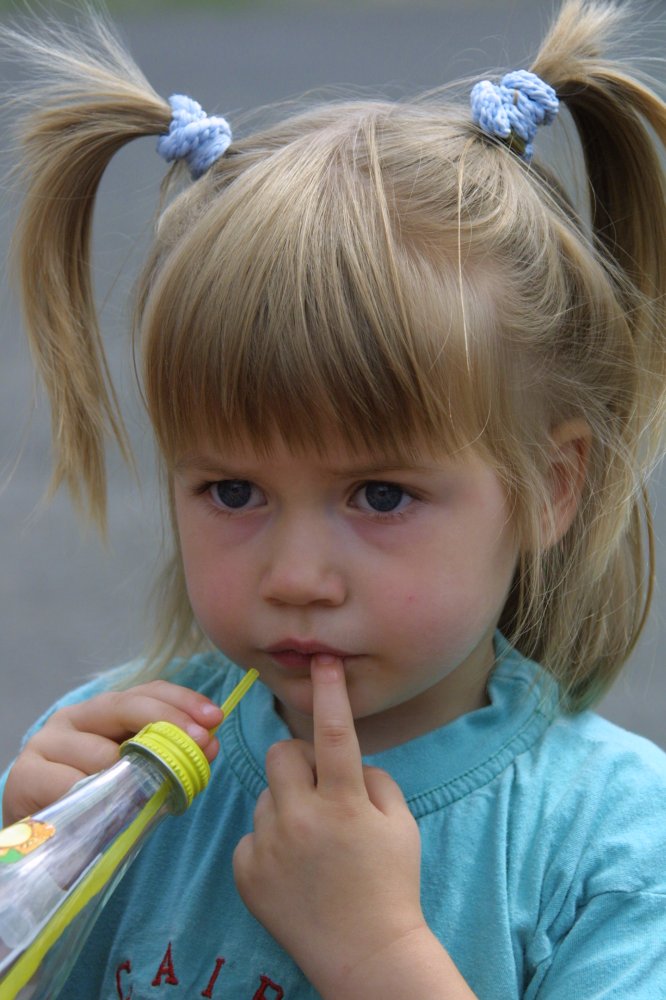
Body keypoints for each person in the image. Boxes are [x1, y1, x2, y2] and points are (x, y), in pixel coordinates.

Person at [1, 0, 665, 996]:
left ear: (548, 488)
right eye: (234, 489)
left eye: (381, 495)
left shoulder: (613, 835)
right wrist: (33, 865)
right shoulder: (107, 757)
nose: (297, 576)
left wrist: (376, 955)